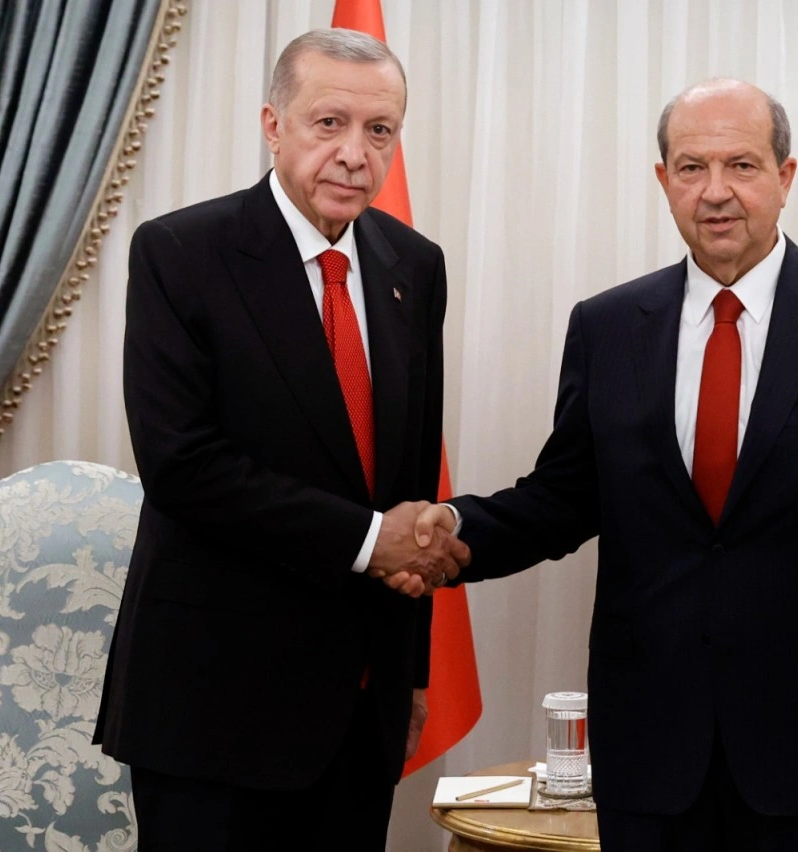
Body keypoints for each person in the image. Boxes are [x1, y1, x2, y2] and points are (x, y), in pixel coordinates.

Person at [412, 79, 798, 850]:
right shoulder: (607, 327)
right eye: (693, 168)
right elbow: (563, 499)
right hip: (651, 742)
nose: (716, 191)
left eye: (742, 165)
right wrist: (452, 531)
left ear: (785, 177)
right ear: (664, 180)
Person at [94, 29, 467, 850]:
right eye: (329, 123)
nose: (355, 154)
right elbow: (183, 466)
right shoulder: (181, 253)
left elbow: (410, 479)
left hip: (360, 706)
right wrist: (368, 541)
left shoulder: (415, 266)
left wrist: (410, 675)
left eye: (379, 130)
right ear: (273, 125)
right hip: (213, 706)